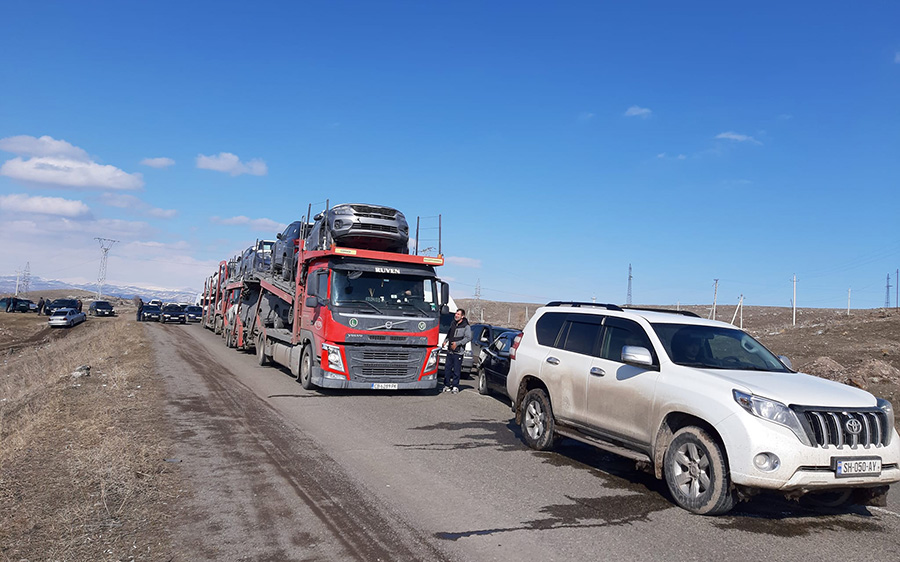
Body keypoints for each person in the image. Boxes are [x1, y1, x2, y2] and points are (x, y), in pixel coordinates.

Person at [442, 308, 472, 394]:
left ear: (462, 316)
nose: (456, 315)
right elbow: (449, 334)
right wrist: (445, 341)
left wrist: (458, 343)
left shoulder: (466, 326)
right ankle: (447, 385)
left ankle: (455, 386)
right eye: (456, 313)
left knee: (456, 370)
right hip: (450, 351)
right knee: (447, 369)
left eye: (458, 314)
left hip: (458, 352)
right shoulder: (453, 323)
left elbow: (468, 337)